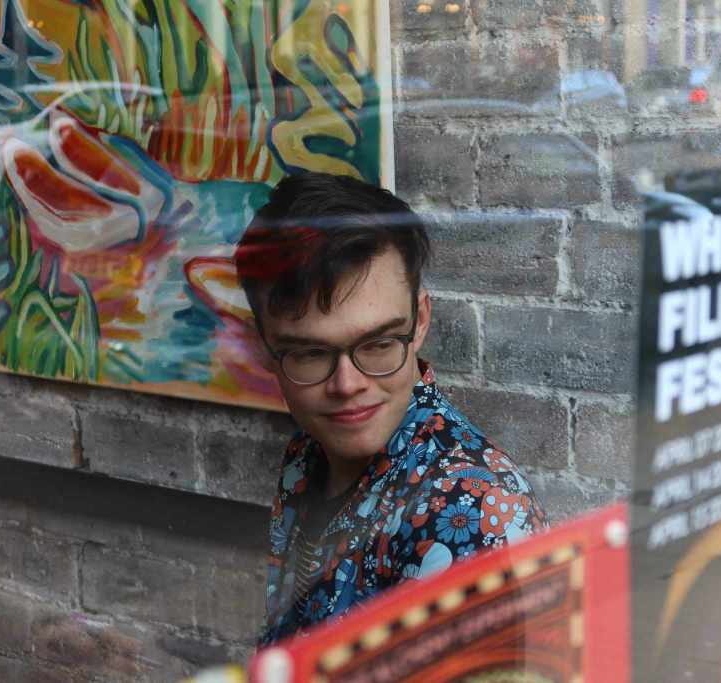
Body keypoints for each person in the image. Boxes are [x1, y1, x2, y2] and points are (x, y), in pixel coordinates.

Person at [234, 172, 548, 646]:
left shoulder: (472, 511)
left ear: (419, 322)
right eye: (310, 353)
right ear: (263, 347)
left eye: (379, 344)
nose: (347, 386)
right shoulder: (306, 450)